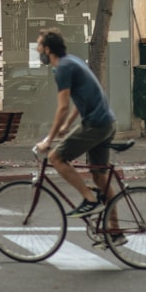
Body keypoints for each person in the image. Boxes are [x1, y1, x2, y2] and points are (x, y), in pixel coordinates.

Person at [34, 28, 117, 219]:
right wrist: (66, 126)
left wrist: (49, 139)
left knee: (56, 157)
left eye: (39, 45)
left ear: (47, 50)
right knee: (100, 178)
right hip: (106, 122)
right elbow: (81, 101)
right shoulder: (72, 61)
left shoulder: (63, 68)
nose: (37, 49)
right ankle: (115, 230)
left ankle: (89, 199)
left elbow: (62, 107)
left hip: (95, 124)